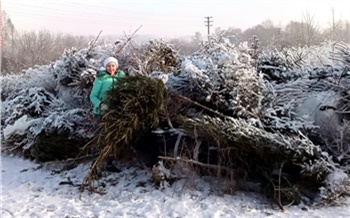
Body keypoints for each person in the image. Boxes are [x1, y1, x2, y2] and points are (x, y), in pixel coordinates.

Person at [89, 57, 126, 172]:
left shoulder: (121, 78)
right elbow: (92, 96)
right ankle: (96, 166)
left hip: (114, 113)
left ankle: (109, 163)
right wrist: (100, 104)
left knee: (111, 139)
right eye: (109, 66)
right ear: (105, 67)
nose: (111, 68)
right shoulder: (101, 79)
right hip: (101, 114)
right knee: (99, 139)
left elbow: (125, 92)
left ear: (116, 66)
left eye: (113, 66)